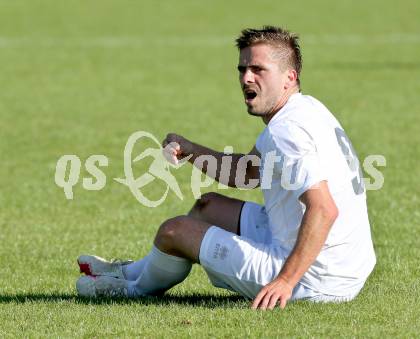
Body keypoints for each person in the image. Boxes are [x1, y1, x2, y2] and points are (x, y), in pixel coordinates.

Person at [76, 26, 376, 310]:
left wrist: (285, 281)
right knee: (207, 207)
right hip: (343, 263)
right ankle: (128, 272)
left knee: (174, 231)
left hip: (318, 279)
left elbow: (323, 209)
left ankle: (131, 289)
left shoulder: (288, 131)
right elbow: (246, 173)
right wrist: (193, 152)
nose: (246, 78)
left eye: (258, 70)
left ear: (289, 77)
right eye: (242, 69)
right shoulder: (305, 108)